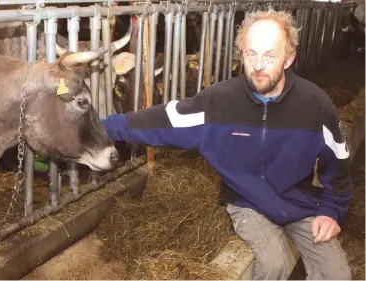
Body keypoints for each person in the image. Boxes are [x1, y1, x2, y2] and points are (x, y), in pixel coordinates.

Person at [101, 8, 353, 280]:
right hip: (247, 202)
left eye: (270, 55)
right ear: (241, 53)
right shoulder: (219, 102)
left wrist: (330, 210)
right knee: (273, 264)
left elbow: (337, 162)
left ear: (289, 58)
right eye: (250, 53)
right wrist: (100, 128)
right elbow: (163, 120)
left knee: (337, 274)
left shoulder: (315, 104)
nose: (258, 65)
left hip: (298, 201)